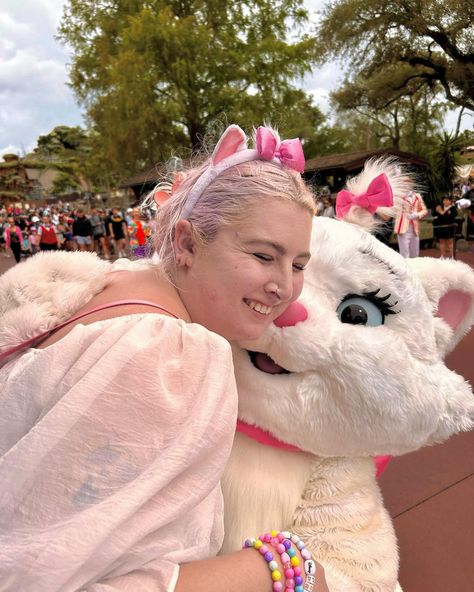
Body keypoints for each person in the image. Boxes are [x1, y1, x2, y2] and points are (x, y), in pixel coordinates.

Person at [0, 124, 329, 592]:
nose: (284, 286)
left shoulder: (111, 289)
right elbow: (39, 577)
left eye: (298, 265)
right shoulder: (164, 358)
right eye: (262, 255)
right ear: (187, 244)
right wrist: (279, 568)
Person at [394, 184, 428, 257]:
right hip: (402, 229)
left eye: (408, 182)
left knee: (415, 254)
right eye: (404, 182)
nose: (406, 183)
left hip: (414, 230)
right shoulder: (397, 195)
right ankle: (404, 268)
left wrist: (417, 215)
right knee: (404, 255)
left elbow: (424, 210)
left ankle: (414, 268)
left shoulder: (417, 196)